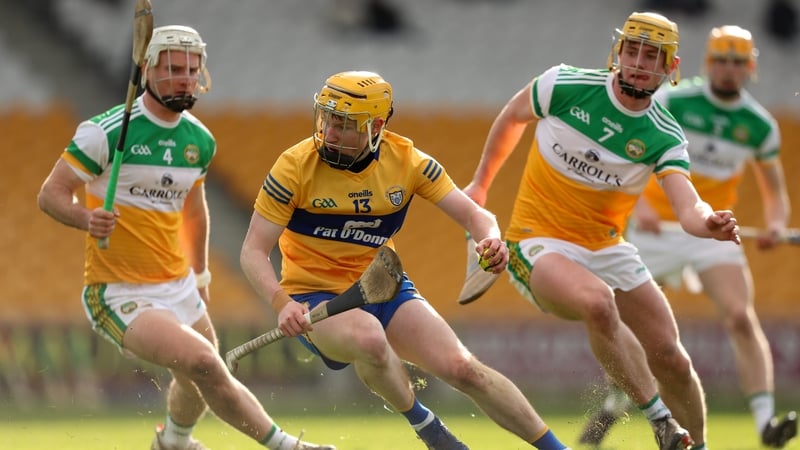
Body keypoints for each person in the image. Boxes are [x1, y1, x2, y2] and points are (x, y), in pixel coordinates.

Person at [37, 25, 335, 450]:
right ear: (147, 70)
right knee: (204, 362)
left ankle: (173, 442)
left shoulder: (198, 140)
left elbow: (194, 213)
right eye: (174, 69)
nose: (185, 78)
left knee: (196, 374)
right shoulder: (105, 132)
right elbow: (50, 194)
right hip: (119, 290)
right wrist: (86, 218)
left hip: (178, 285)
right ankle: (286, 446)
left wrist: (199, 275)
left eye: (192, 70)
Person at [239, 70, 571, 450]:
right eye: (327, 118)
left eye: (344, 124)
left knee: (464, 368)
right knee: (369, 338)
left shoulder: (408, 162)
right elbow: (252, 250)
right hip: (316, 301)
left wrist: (490, 241)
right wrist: (281, 303)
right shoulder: (293, 166)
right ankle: (431, 429)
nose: (329, 132)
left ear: (375, 126)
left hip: (383, 288)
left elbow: (476, 216)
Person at [463, 11, 743, 450]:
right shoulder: (564, 84)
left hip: (607, 246)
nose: (638, 62)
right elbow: (513, 115)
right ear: (618, 52)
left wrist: (708, 223)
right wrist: (480, 183)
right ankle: (661, 422)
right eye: (632, 50)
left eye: (651, 55)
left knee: (672, 359)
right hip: (537, 241)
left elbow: (687, 204)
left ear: (670, 68)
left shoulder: (664, 135)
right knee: (598, 303)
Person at [578, 25, 797, 449]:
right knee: (633, 330)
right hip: (653, 231)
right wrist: (639, 205)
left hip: (709, 233)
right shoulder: (672, 99)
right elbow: (630, 146)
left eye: (737, 62)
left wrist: (775, 223)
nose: (729, 70)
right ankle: (614, 402)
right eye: (721, 60)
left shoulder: (760, 125)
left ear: (750, 66)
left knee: (739, 316)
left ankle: (767, 423)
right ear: (707, 63)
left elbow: (775, 193)